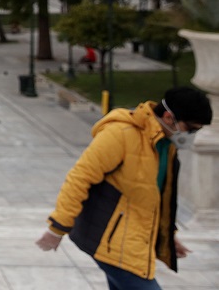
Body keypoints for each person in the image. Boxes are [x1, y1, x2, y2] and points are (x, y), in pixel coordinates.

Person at [36, 86, 213, 289]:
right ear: (168, 117)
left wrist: (167, 237)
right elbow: (80, 178)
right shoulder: (121, 133)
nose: (191, 134)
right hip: (112, 243)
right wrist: (58, 227)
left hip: (133, 243)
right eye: (191, 128)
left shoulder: (166, 146)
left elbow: (158, 199)